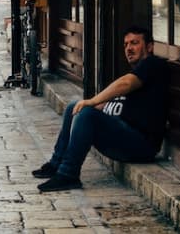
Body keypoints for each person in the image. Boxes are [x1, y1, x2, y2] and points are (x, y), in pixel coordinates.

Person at [32, 26, 170, 192]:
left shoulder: (153, 65)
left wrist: (91, 102)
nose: (129, 49)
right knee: (73, 107)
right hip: (125, 135)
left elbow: (126, 83)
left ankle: (68, 174)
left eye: (135, 43)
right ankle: (56, 164)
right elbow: (119, 99)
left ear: (149, 47)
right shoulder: (140, 71)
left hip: (141, 145)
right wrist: (91, 105)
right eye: (126, 45)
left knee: (87, 113)